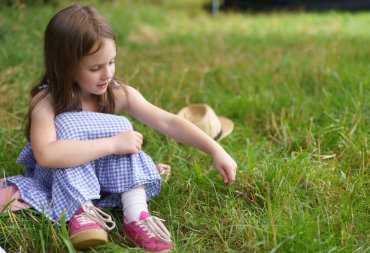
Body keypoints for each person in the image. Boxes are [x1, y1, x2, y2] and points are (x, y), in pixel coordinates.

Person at [6, 4, 237, 252]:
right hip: (61, 179)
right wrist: (112, 144)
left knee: (124, 130)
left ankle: (136, 215)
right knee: (76, 126)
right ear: (65, 66)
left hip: (104, 177)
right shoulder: (47, 102)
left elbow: (167, 121)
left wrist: (214, 149)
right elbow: (47, 154)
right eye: (95, 68)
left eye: (112, 62)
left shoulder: (116, 93)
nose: (107, 74)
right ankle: (82, 211)